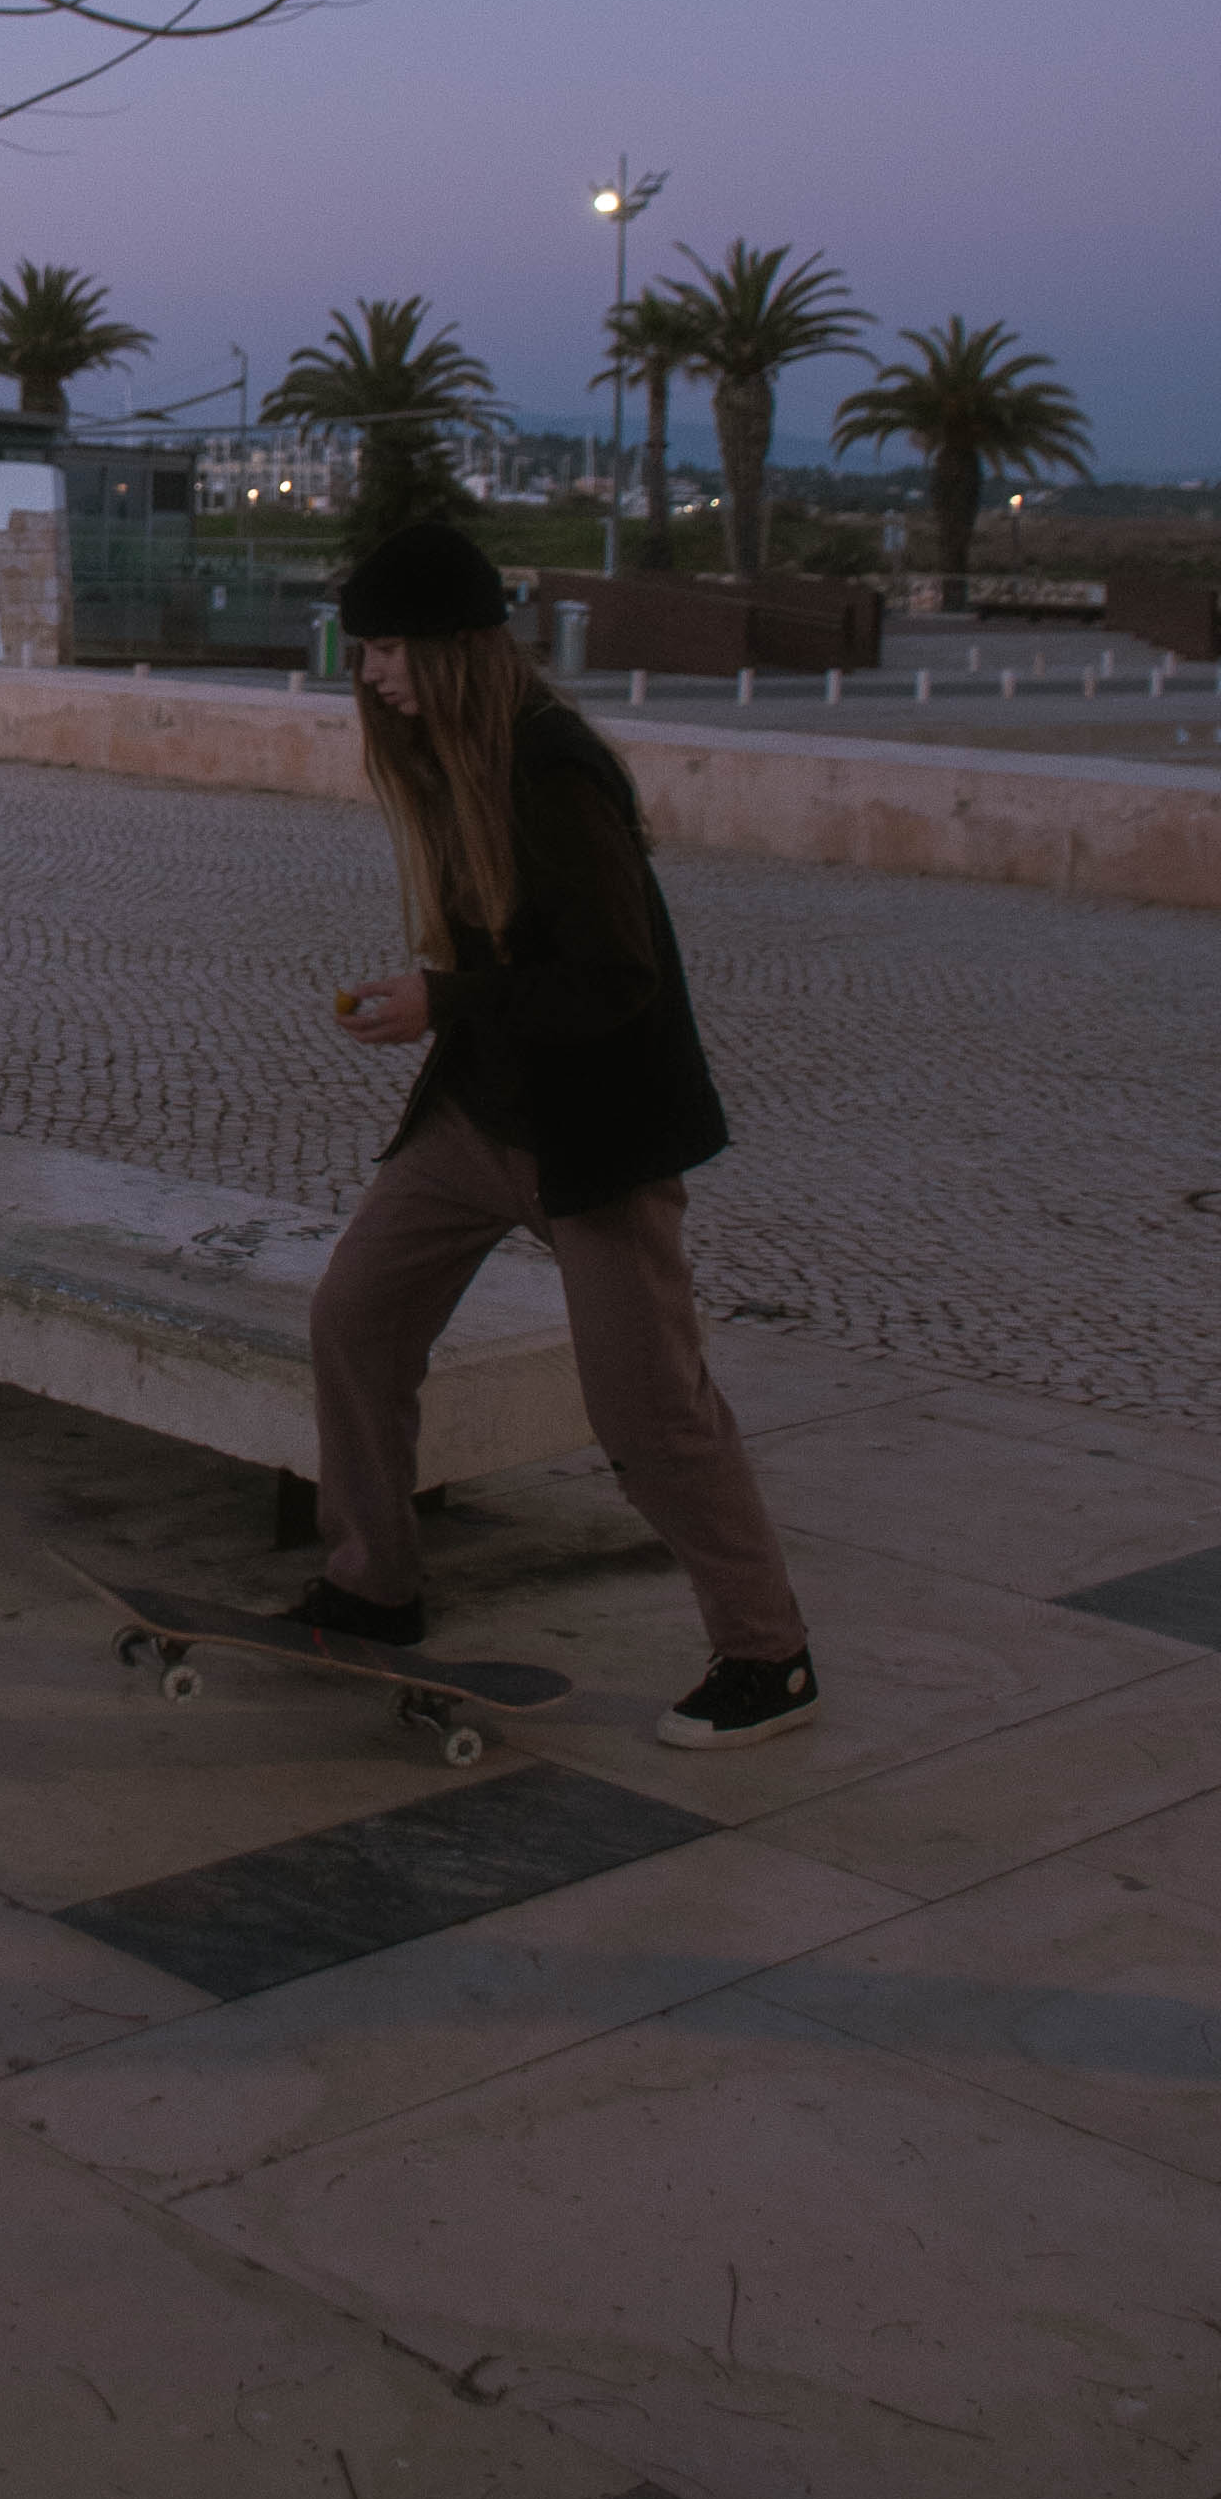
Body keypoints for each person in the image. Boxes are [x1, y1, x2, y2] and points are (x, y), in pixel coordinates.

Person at [299, 519, 818, 1749]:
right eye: (364, 648)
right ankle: (373, 1584)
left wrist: (443, 1000)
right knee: (355, 1320)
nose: (369, 672)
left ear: (453, 647)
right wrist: (442, 1004)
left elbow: (613, 977)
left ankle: (768, 1655)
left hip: (594, 1138)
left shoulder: (551, 768)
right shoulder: (451, 760)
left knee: (648, 1411)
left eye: (387, 648)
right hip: (477, 1118)